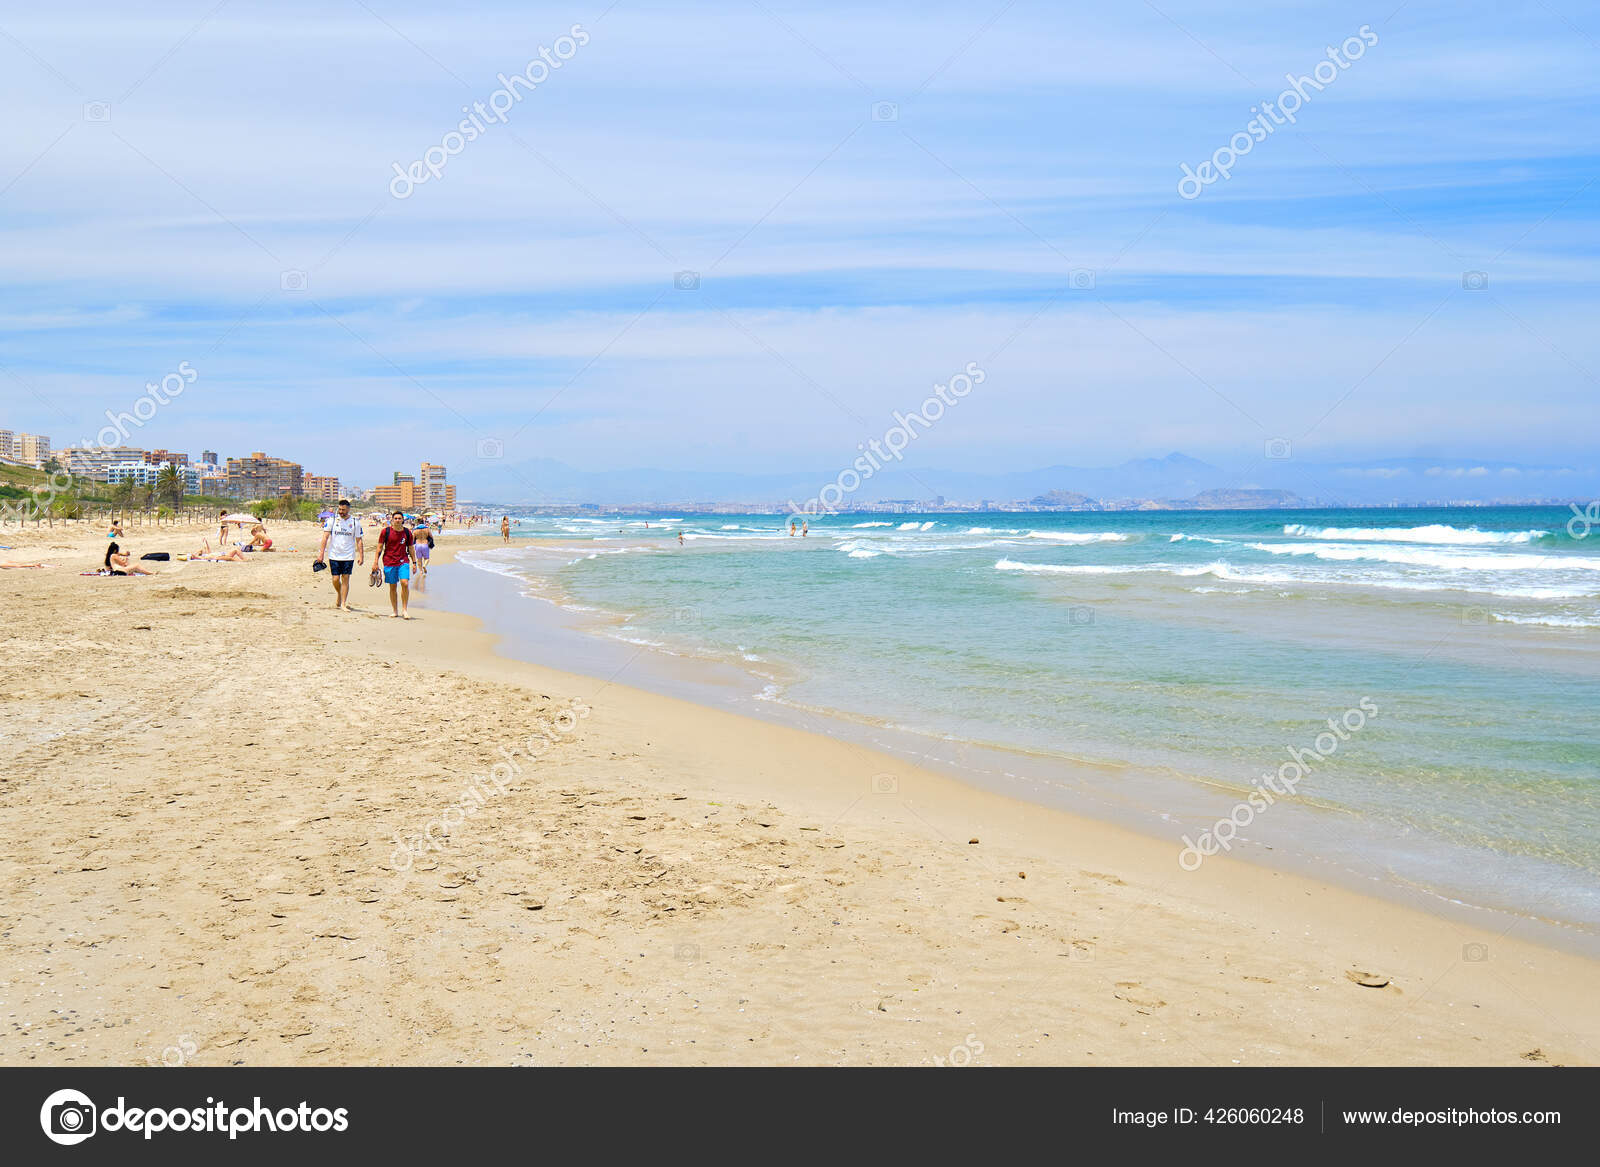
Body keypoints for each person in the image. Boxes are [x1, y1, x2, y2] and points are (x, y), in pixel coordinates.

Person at [316, 498, 364, 610]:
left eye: (343, 510)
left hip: (348, 555)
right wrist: (321, 554)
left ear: (348, 510)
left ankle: (343, 603)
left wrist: (361, 556)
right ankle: (339, 593)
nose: (341, 512)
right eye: (340, 509)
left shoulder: (355, 522)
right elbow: (325, 537)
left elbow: (359, 540)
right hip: (334, 554)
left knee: (346, 578)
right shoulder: (332, 520)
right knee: (335, 579)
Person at [376, 510, 419, 618]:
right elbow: (379, 547)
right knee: (393, 586)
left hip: (403, 561)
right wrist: (375, 562)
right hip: (389, 561)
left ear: (403, 520)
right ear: (392, 520)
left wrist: (414, 563)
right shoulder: (385, 532)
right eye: (395, 518)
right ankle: (395, 611)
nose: (398, 520)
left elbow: (411, 549)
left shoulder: (408, 533)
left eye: (399, 518)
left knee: (405, 583)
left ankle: (404, 610)